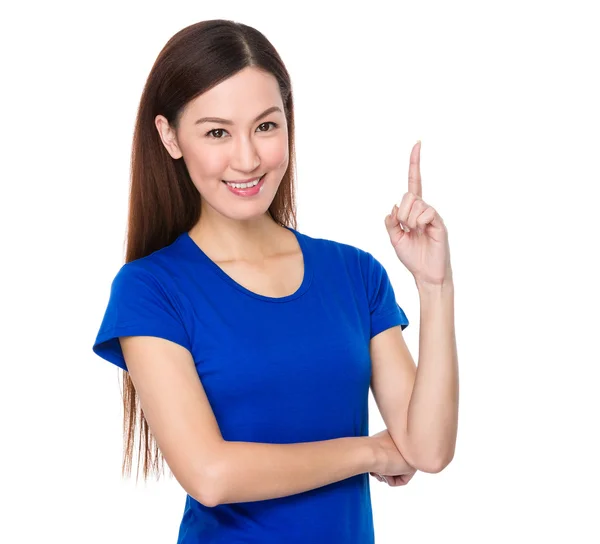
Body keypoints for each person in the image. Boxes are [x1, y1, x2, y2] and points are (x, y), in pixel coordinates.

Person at [92, 19, 459, 543]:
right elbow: (210, 475)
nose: (248, 158)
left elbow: (429, 449)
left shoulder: (355, 274)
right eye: (217, 132)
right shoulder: (151, 290)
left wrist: (435, 286)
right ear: (170, 136)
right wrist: (371, 451)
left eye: (266, 126)